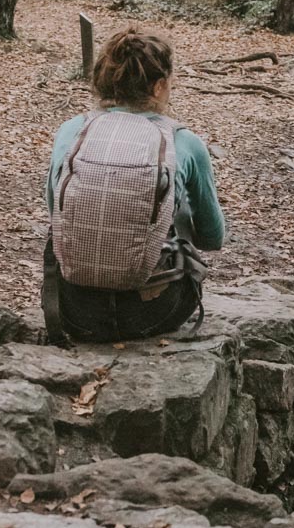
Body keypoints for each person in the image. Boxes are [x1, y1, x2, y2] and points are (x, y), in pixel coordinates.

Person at [42, 26, 224, 342]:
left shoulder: (72, 131)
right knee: (174, 208)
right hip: (155, 313)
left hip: (74, 312)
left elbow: (54, 211)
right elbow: (212, 236)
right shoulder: (184, 141)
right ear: (158, 87)